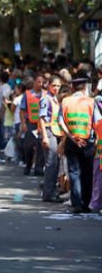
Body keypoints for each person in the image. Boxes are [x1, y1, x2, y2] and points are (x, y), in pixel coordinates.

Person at [59, 71, 95, 213]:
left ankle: (76, 204)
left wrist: (71, 136)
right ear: (85, 87)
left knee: (74, 173)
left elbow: (61, 121)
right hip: (88, 142)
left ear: (73, 86)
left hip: (72, 142)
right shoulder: (91, 102)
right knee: (87, 173)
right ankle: (86, 204)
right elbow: (97, 122)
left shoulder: (66, 101)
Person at [39, 75, 64, 202]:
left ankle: (50, 191)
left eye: (58, 86)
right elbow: (42, 118)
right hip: (49, 132)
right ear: (49, 85)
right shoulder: (46, 99)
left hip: (55, 132)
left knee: (55, 164)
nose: (56, 88)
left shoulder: (54, 99)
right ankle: (48, 194)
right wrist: (44, 137)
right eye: (54, 85)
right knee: (51, 164)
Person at [20, 75, 45, 176]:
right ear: (34, 82)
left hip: (42, 124)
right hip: (31, 124)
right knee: (28, 147)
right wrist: (23, 124)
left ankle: (38, 168)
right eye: (39, 82)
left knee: (41, 147)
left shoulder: (46, 94)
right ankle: (28, 165)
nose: (41, 84)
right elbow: (22, 110)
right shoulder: (27, 94)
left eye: (43, 82)